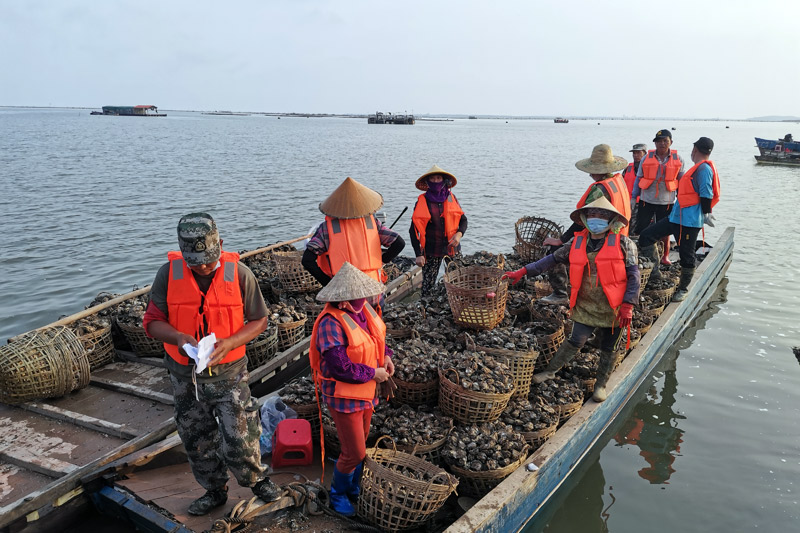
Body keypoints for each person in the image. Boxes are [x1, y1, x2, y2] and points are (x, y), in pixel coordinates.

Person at [143, 213, 281, 515]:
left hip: (229, 374)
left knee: (240, 434)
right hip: (185, 377)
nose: (203, 266)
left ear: (221, 245)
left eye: (208, 259)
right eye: (195, 262)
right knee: (196, 437)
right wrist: (178, 337)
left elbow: (259, 319)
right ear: (183, 255)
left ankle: (257, 480)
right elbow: (152, 323)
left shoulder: (240, 274)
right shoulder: (168, 275)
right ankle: (214, 490)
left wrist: (230, 342)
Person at [504, 197, 640, 402]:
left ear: (612, 220)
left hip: (614, 306)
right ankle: (551, 371)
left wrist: (628, 305)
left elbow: (634, 276)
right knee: (576, 339)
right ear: (584, 218)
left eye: (602, 215)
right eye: (592, 214)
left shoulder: (624, 244)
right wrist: (522, 271)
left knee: (609, 347)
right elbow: (550, 260)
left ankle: (601, 385)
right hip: (585, 303)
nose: (597, 219)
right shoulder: (576, 243)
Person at [308, 262, 394, 516]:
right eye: (357, 296)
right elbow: (340, 367)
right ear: (343, 299)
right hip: (343, 397)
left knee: (361, 445)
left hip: (366, 393)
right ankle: (338, 494)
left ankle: (353, 486)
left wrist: (386, 357)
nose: (363, 299)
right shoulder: (329, 324)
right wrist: (373, 374)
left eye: (364, 294)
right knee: (354, 451)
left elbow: (376, 340)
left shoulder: (364, 309)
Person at [539, 144, 631, 305]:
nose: (589, 173)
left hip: (601, 239)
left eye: (592, 169)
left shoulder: (599, 189)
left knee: (552, 250)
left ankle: (560, 293)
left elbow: (583, 220)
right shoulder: (617, 181)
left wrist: (561, 240)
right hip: (620, 235)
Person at [638, 137, 720, 302]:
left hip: (689, 222)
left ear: (695, 149)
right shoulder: (697, 167)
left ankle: (683, 289)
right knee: (646, 236)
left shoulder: (704, 169)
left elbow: (706, 192)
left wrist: (706, 213)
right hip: (676, 218)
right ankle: (655, 273)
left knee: (686, 255)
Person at [302, 177, 405, 292]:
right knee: (375, 310)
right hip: (372, 287)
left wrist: (327, 283)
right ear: (361, 205)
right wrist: (382, 261)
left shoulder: (327, 228)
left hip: (343, 291)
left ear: (336, 207)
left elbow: (307, 260)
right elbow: (399, 243)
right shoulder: (372, 224)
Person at [409, 164, 468, 296]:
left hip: (452, 248)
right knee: (428, 287)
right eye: (432, 179)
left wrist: (459, 234)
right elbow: (413, 230)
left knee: (459, 283)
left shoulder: (451, 198)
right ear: (428, 182)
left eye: (438, 178)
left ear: (444, 180)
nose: (436, 181)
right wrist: (418, 254)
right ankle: (425, 311)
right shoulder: (422, 201)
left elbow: (463, 220)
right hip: (431, 250)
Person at [630, 129, 686, 265]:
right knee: (641, 229)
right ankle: (641, 254)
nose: (662, 144)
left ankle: (664, 256)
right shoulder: (646, 158)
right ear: (654, 144)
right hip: (646, 200)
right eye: (659, 141)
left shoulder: (678, 159)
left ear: (671, 142)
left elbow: (682, 181)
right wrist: (633, 197)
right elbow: (638, 178)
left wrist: (682, 201)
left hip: (667, 202)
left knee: (665, 231)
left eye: (665, 141)